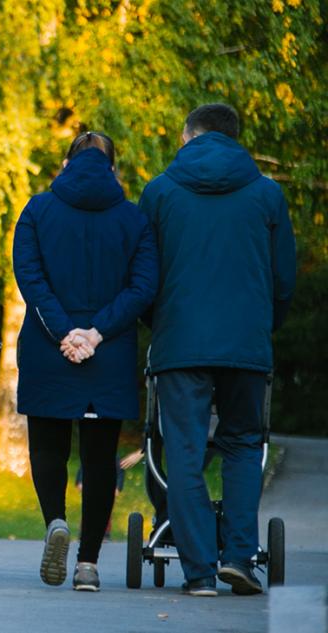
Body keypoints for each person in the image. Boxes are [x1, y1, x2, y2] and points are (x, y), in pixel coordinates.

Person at [139, 103, 296, 597]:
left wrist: (157, 323)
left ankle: (200, 573)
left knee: (183, 452)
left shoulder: (160, 192)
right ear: (235, 138)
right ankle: (240, 560)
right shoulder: (268, 195)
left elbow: (144, 275)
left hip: (180, 344)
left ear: (189, 137)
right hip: (246, 342)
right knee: (244, 445)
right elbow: (283, 278)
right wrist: (263, 326)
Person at [12, 132, 158, 591]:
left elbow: (30, 278)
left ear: (64, 162)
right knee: (99, 458)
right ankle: (89, 564)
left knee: (48, 446)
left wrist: (63, 332)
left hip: (47, 346)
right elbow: (142, 286)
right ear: (112, 167)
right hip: (108, 351)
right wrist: (95, 333)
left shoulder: (37, 210)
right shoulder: (134, 219)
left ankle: (56, 520)